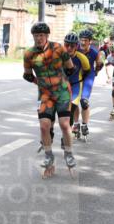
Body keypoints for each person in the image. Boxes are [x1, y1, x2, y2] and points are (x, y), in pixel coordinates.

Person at [22, 21, 77, 177]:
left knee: (65, 124)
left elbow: (71, 68)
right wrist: (39, 83)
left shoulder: (59, 48)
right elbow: (27, 75)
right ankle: (48, 156)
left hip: (62, 92)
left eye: (41, 35)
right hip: (45, 94)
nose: (38, 38)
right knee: (44, 126)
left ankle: (68, 153)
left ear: (47, 36)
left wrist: (61, 81)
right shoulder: (29, 54)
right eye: (36, 35)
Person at [62, 32, 92, 140]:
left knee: (70, 110)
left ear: (76, 46)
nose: (69, 48)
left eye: (72, 46)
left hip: (75, 86)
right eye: (67, 45)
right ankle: (73, 126)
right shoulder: (59, 55)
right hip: (63, 87)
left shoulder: (82, 58)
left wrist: (80, 79)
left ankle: (66, 135)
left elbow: (87, 71)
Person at [77, 28, 103, 140]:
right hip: (76, 75)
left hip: (88, 76)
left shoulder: (95, 52)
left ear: (90, 41)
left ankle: (84, 124)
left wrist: (96, 72)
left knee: (84, 101)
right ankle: (75, 124)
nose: (83, 42)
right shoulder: (75, 48)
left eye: (85, 40)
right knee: (73, 102)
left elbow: (99, 64)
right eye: (81, 40)